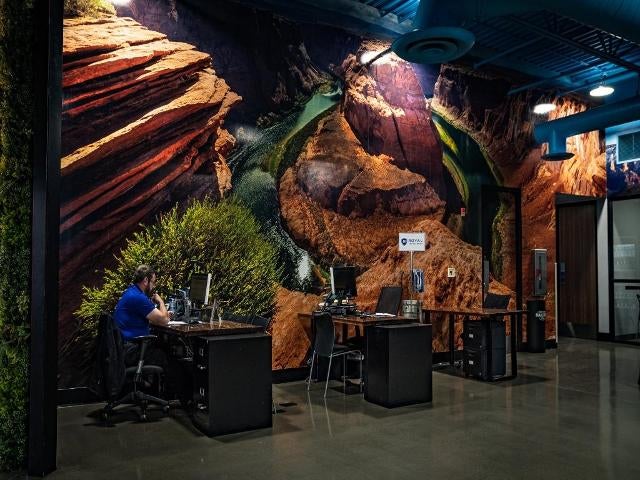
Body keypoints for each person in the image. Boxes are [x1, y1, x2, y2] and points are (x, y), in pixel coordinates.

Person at [114, 265, 189, 404]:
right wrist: (160, 301)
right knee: (170, 357)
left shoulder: (131, 292)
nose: (153, 286)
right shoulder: (138, 298)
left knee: (164, 348)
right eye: (153, 282)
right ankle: (185, 401)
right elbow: (164, 320)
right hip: (132, 350)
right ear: (145, 280)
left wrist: (160, 314)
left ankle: (164, 395)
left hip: (125, 347)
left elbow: (150, 316)